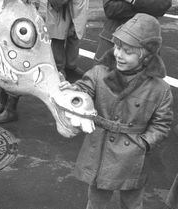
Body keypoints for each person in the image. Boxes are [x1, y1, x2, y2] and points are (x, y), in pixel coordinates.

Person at [61, 13, 173, 209]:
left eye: (127, 51)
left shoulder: (159, 89)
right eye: (117, 47)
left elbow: (161, 124)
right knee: (96, 201)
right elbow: (85, 89)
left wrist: (144, 144)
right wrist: (72, 92)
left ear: (146, 55)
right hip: (102, 150)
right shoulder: (100, 73)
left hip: (134, 155)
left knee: (132, 202)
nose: (118, 54)